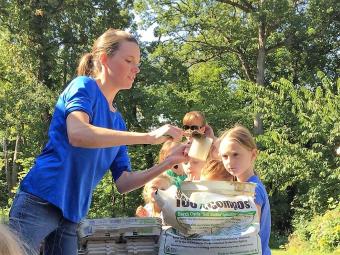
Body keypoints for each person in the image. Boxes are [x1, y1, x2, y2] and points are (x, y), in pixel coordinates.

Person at [9, 28, 187, 255]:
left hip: (72, 216)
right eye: (129, 60)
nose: (136, 69)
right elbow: (79, 133)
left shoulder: (118, 121)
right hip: (40, 201)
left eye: (138, 62)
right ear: (104, 59)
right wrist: (148, 137)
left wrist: (168, 162)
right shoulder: (83, 86)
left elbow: (123, 182)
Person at [218, 124, 271, 255]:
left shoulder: (252, 189)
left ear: (253, 154)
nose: (229, 162)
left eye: (236, 154)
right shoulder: (240, 187)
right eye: (225, 156)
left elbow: (248, 232)